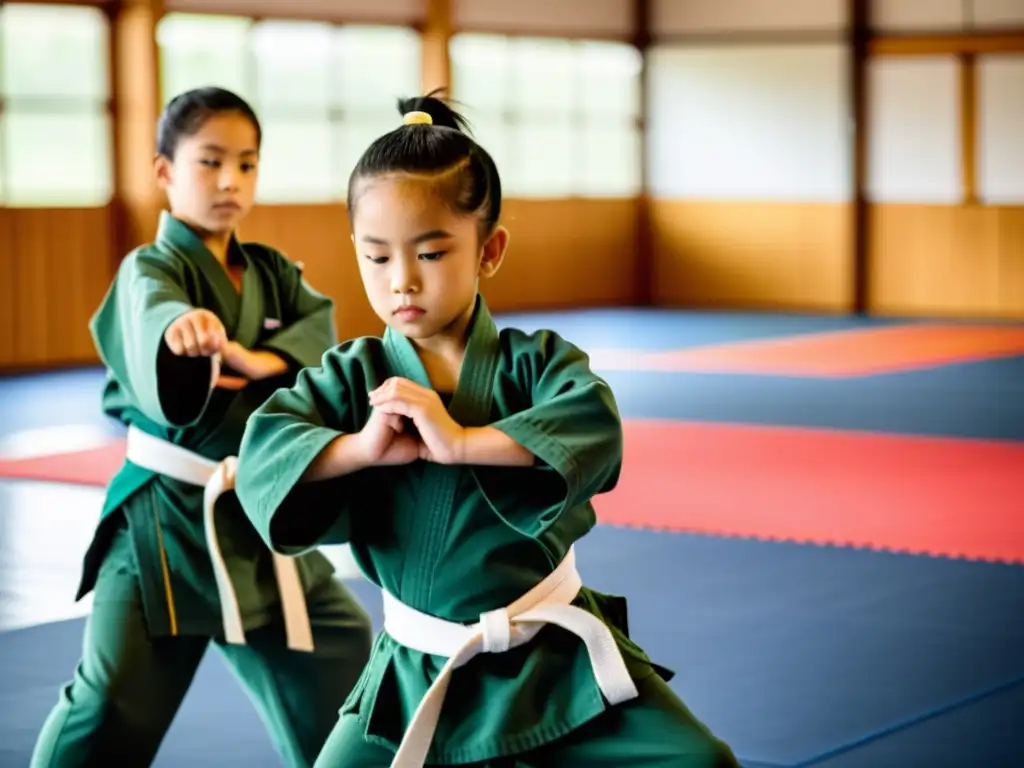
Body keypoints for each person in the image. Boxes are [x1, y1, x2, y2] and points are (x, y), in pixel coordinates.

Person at [234, 91, 739, 768]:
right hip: (418, 673)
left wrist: (461, 441)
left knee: (699, 762)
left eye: (431, 254)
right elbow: (268, 448)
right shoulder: (356, 379)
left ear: (488, 250)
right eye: (377, 258)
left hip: (554, 662)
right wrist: (358, 449)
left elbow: (593, 425)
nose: (402, 281)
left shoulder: (537, 364)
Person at [30, 86, 373, 768]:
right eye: (210, 161)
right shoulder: (149, 269)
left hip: (255, 516)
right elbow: (152, 315)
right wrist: (178, 333)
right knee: (111, 701)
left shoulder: (271, 272)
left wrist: (256, 357)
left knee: (336, 643)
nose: (230, 181)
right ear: (164, 172)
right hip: (164, 526)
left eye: (246, 164)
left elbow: (319, 334)